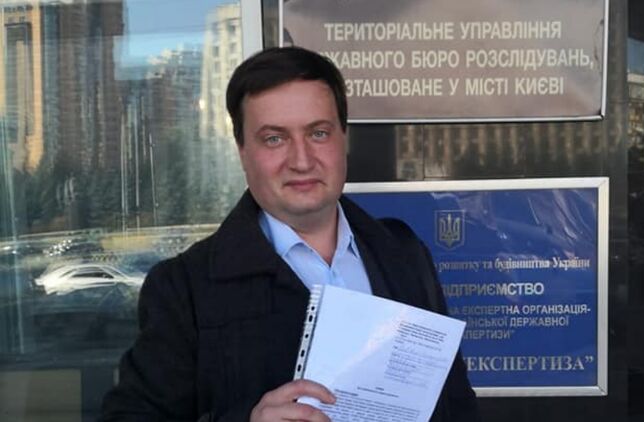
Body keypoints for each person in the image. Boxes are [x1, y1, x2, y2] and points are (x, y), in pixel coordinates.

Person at [100, 46, 479, 422]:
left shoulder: (404, 253)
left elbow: (456, 405)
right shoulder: (183, 288)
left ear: (343, 138)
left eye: (318, 133)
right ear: (242, 151)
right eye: (274, 139)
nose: (301, 160)